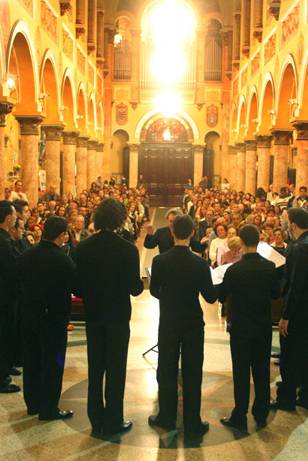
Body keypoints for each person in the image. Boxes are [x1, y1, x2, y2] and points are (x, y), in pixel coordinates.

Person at [76, 198, 144, 438]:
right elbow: (135, 288)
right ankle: (114, 419)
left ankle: (96, 418)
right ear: (119, 219)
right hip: (117, 315)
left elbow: (78, 289)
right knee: (116, 368)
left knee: (96, 367)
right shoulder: (127, 249)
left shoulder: (83, 247)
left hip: (93, 314)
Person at [149, 215, 217, 443]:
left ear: (172, 232)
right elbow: (209, 296)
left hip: (168, 320)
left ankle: (166, 418)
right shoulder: (199, 263)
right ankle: (193, 421)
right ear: (191, 234)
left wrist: (168, 297)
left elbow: (154, 291)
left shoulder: (160, 262)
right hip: (192, 323)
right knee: (192, 371)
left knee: (167, 369)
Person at [219, 225, 280, 432]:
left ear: (242, 243)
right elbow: (275, 294)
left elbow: (221, 296)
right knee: (262, 369)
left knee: (241, 371)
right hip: (262, 326)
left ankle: (240, 413)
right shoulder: (270, 267)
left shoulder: (234, 270)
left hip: (241, 327)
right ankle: (261, 412)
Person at [19, 217, 75, 420]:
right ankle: (49, 408)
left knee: (32, 360)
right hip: (54, 320)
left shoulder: (26, 255)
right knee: (54, 362)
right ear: (61, 235)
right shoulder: (62, 259)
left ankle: (32, 404)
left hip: (29, 317)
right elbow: (75, 286)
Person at [271, 208, 308, 411]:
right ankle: (304, 395)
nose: (283, 224)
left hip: (298, 311)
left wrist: (286, 316)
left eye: (285, 221)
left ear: (293, 224)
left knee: (290, 353)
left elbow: (296, 284)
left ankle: (286, 398)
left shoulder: (299, 248)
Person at [0, 201, 20, 393]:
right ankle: (2, 377)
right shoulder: (4, 242)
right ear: (7, 218)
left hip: (6, 295)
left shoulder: (6, 238)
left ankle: (7, 365)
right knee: (4, 334)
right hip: (5, 297)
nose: (16, 217)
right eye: (14, 215)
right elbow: (12, 269)